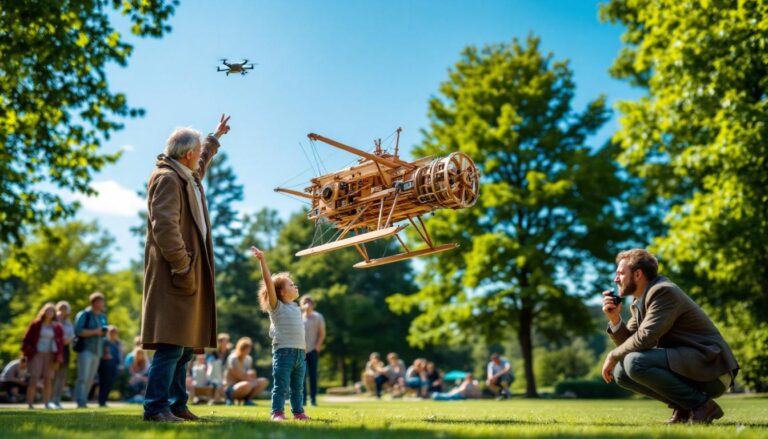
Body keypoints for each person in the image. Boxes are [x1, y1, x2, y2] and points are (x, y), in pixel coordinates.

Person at [141, 115, 231, 422]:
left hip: (187, 272)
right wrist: (183, 265)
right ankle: (156, 408)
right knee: (170, 343)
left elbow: (201, 164)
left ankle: (177, 405)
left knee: (184, 345)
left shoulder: (185, 175)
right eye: (197, 153)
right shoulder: (167, 178)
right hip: (175, 273)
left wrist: (214, 138)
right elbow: (164, 226)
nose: (198, 161)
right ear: (186, 154)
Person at [601, 249, 740, 424]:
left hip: (712, 368)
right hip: (689, 366)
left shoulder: (663, 292)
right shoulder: (639, 302)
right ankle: (684, 407)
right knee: (622, 371)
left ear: (637, 274)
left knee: (635, 362)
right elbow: (630, 344)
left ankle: (703, 406)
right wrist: (615, 320)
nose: (616, 279)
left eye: (621, 273)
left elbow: (645, 339)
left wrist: (612, 355)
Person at [252, 246, 310, 422]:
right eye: (291, 285)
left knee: (298, 388)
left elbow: (300, 330)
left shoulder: (296, 307)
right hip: (283, 353)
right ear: (282, 292)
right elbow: (269, 282)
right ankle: (277, 413)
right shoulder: (277, 307)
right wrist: (262, 260)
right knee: (281, 386)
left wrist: (304, 349)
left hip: (300, 354)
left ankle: (298, 413)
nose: (295, 286)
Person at [22, 302, 65, 409]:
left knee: (48, 379)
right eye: (48, 310)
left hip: (51, 355)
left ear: (54, 313)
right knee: (34, 378)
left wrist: (59, 355)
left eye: (52, 311)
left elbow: (60, 343)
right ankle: (30, 404)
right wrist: (27, 351)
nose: (49, 312)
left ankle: (46, 404)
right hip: (36, 354)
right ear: (44, 311)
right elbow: (26, 340)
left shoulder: (57, 327)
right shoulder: (35, 324)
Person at [74, 292, 109, 408]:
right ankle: (80, 401)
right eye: (99, 301)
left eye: (102, 301)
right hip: (85, 349)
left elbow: (103, 333)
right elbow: (78, 331)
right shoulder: (84, 314)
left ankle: (84, 400)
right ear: (93, 302)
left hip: (97, 351)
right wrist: (95, 332)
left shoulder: (103, 316)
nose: (102, 303)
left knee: (90, 378)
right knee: (83, 377)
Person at [223, 337, 269, 406]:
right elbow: (239, 376)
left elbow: (249, 374)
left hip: (245, 383)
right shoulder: (233, 358)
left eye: (249, 348)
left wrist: (252, 374)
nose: (247, 350)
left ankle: (248, 400)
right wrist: (252, 380)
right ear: (240, 348)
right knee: (247, 384)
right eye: (245, 348)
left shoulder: (249, 359)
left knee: (264, 381)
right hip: (231, 387)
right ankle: (230, 398)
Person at [301, 295, 325, 407]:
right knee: (301, 376)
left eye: (309, 302)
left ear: (312, 304)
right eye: (305, 302)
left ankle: (313, 399)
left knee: (313, 376)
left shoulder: (318, 316)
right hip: (301, 351)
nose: (307, 304)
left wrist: (317, 346)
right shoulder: (300, 317)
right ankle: (303, 400)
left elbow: (322, 333)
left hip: (313, 351)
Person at [51, 300, 75, 409]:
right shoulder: (54, 321)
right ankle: (50, 400)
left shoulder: (69, 323)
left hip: (65, 350)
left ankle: (57, 400)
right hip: (55, 350)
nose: (63, 311)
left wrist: (68, 339)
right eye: (61, 308)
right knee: (54, 376)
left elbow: (71, 336)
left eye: (65, 308)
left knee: (62, 376)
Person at [97, 326, 122, 407]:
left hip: (114, 364)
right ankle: (101, 401)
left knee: (109, 383)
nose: (114, 334)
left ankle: (104, 400)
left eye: (115, 332)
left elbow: (120, 353)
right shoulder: (105, 341)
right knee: (103, 383)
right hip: (105, 365)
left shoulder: (117, 343)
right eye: (112, 332)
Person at [205, 333, 231, 404]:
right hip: (215, 375)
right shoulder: (213, 353)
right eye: (222, 341)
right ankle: (219, 399)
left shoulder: (229, 353)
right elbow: (210, 364)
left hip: (226, 375)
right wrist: (208, 373)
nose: (225, 343)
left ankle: (219, 399)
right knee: (217, 383)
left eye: (226, 341)